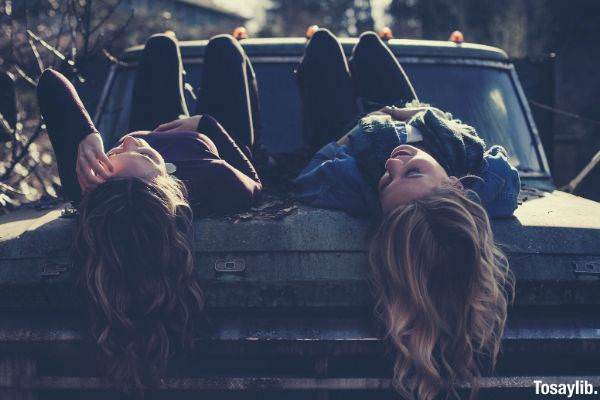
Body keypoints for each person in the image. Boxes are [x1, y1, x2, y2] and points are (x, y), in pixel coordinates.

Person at [294, 29, 515, 400]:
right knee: (368, 44)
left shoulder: (353, 182)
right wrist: (414, 117)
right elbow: (492, 158)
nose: (394, 165)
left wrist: (357, 132)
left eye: (387, 183)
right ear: (458, 188)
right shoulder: (484, 185)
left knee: (323, 48)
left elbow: (312, 173)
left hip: (351, 135)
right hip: (414, 118)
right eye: (413, 172)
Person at [37, 33, 262, 388]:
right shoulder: (212, 182)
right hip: (208, 137)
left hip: (156, 120)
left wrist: (85, 135)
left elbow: (50, 82)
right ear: (165, 185)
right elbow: (254, 181)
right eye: (141, 155)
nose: (127, 141)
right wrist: (206, 125)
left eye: (113, 153)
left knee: (159, 44)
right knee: (224, 48)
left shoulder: (90, 186)